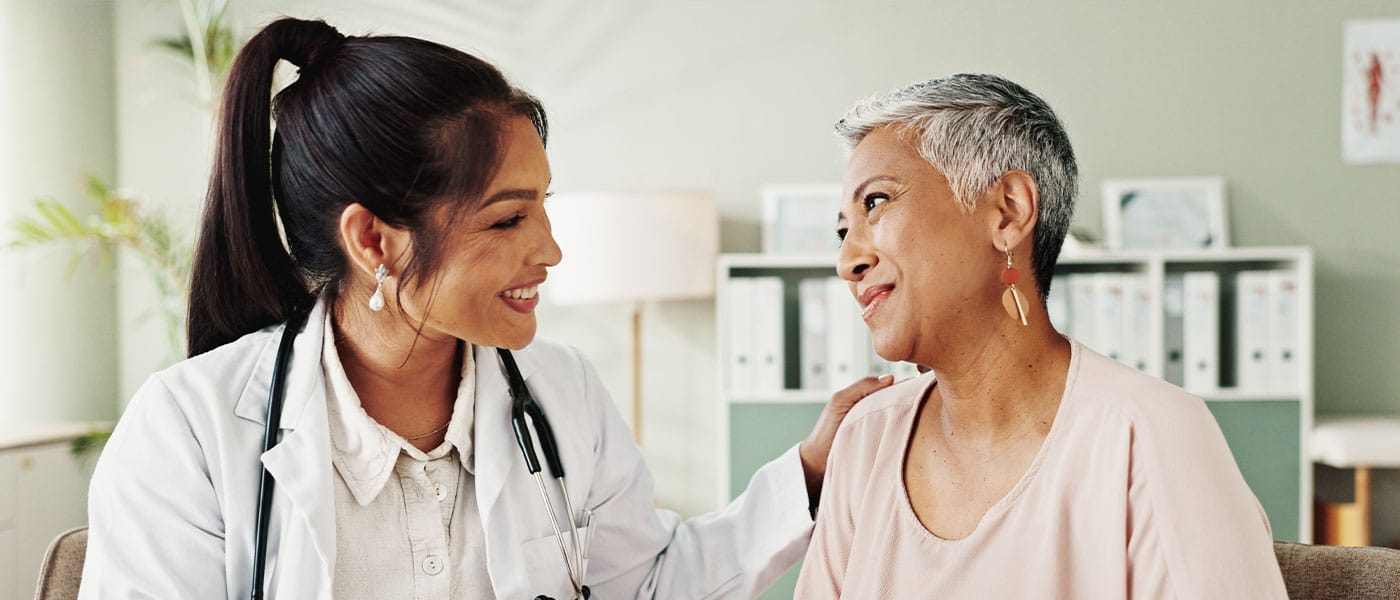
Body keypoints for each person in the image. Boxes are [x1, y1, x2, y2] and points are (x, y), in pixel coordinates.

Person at [79, 18, 892, 599]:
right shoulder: (188, 431)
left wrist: (811, 471)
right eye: (507, 220)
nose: (549, 250)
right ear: (373, 239)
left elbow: (644, 584)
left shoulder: (562, 393)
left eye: (542, 207)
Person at [794, 74, 1288, 598]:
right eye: (843, 231)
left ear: (1008, 212)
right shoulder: (864, 438)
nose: (848, 261)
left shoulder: (1149, 434)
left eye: (876, 202)